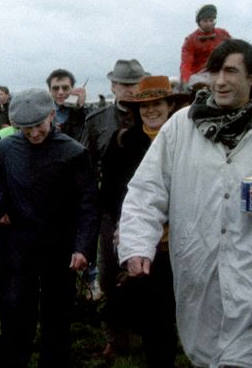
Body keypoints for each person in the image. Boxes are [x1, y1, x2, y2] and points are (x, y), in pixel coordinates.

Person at [119, 39, 252, 367]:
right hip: (196, 269)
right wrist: (137, 244)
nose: (220, 81)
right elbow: (147, 190)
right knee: (204, 355)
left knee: (249, 359)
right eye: (214, 72)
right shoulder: (181, 126)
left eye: (230, 71)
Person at [0, 88, 97, 367]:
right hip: (17, 250)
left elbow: (88, 204)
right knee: (15, 318)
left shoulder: (74, 152)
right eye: (26, 128)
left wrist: (82, 247)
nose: (33, 133)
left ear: (52, 115)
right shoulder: (4, 150)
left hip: (60, 250)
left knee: (57, 320)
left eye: (39, 125)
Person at [99, 75, 185, 364]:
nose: (151, 110)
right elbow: (110, 191)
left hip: (183, 238)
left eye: (157, 103)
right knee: (155, 314)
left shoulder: (187, 141)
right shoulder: (123, 142)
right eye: (144, 105)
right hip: (146, 241)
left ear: (170, 105)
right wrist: (124, 226)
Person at [80, 59, 147, 313]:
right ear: (113, 86)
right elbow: (85, 165)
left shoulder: (153, 113)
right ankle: (114, 321)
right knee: (109, 265)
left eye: (135, 84)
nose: (130, 89)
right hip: (111, 204)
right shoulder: (97, 121)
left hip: (150, 203)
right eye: (124, 84)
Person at [180, 3, 231, 84]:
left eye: (211, 20)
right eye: (205, 21)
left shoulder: (223, 34)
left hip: (220, 72)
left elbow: (235, 51)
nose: (209, 24)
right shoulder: (190, 40)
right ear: (199, 22)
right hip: (198, 76)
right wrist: (185, 81)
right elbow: (186, 63)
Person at [47, 68, 87, 141]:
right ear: (50, 90)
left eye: (65, 88)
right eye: (55, 88)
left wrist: (80, 110)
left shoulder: (85, 113)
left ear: (73, 88)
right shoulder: (44, 115)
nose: (60, 92)